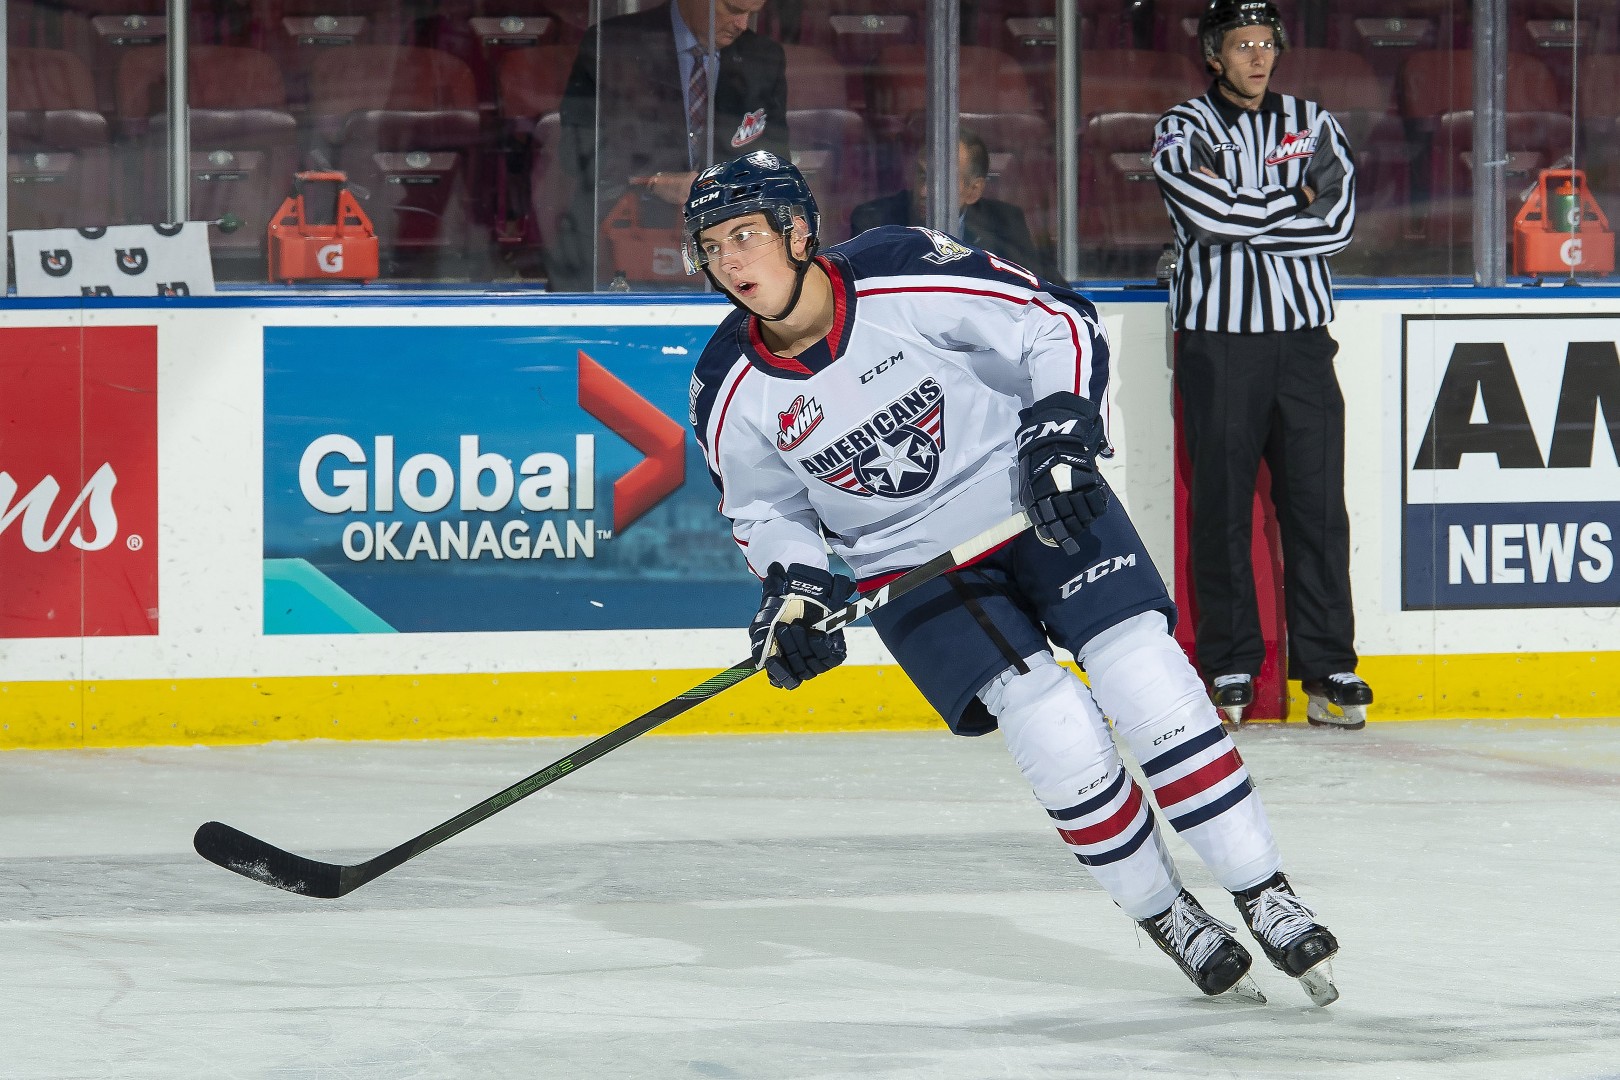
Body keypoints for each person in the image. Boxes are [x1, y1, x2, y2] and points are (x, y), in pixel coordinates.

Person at [682, 150, 1341, 1006]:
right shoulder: (722, 385)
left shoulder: (896, 270)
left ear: (799, 230)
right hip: (911, 568)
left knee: (1143, 674)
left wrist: (1062, 431)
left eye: (745, 235)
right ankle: (1165, 911)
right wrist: (797, 592)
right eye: (712, 246)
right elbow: (765, 513)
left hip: (1032, 495)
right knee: (1051, 723)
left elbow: (1052, 322)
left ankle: (1266, 892)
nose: (731, 263)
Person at [1151, 0, 1371, 729]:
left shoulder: (1313, 122)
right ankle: (1232, 664)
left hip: (1304, 345)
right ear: (1214, 53)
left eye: (1265, 43)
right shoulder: (1183, 127)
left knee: (1316, 507)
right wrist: (1294, 199)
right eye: (1241, 44)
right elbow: (1207, 217)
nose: (1256, 57)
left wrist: (1256, 210)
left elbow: (1335, 224)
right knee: (1220, 509)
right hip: (1219, 346)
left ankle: (1329, 665)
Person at [551, 0, 789, 290]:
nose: (742, 24)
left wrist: (721, 186)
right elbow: (576, 150)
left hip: (725, 241)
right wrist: (653, 181)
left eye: (752, 14)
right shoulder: (612, 44)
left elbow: (775, 162)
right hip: (618, 233)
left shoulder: (763, 57)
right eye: (734, 10)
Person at [849, 129, 1061, 283]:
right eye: (922, 176)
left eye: (940, 182)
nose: (923, 192)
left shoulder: (1004, 222)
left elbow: (1045, 288)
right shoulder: (874, 222)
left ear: (974, 190)